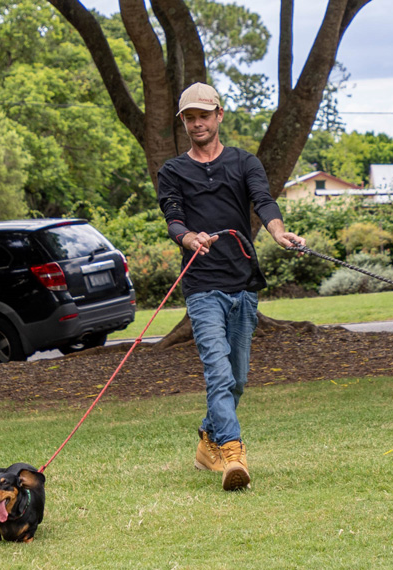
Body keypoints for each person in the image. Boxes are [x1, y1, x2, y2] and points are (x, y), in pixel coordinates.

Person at [157, 82, 305, 491]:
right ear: (183, 122)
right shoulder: (173, 171)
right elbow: (173, 218)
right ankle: (233, 454)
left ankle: (207, 439)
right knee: (218, 375)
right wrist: (189, 238)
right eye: (189, 117)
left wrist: (278, 232)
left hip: (243, 285)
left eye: (204, 115)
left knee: (237, 379)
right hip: (203, 288)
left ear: (219, 115)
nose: (197, 123)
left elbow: (264, 200)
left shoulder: (244, 162)